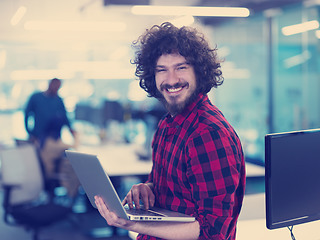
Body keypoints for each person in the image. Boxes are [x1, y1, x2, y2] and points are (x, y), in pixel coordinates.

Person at [95, 22, 246, 240]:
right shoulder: (168, 126)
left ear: (199, 72)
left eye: (181, 67)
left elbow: (212, 232)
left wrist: (132, 223)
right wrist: (147, 188)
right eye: (162, 70)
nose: (172, 79)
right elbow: (170, 188)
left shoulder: (208, 134)